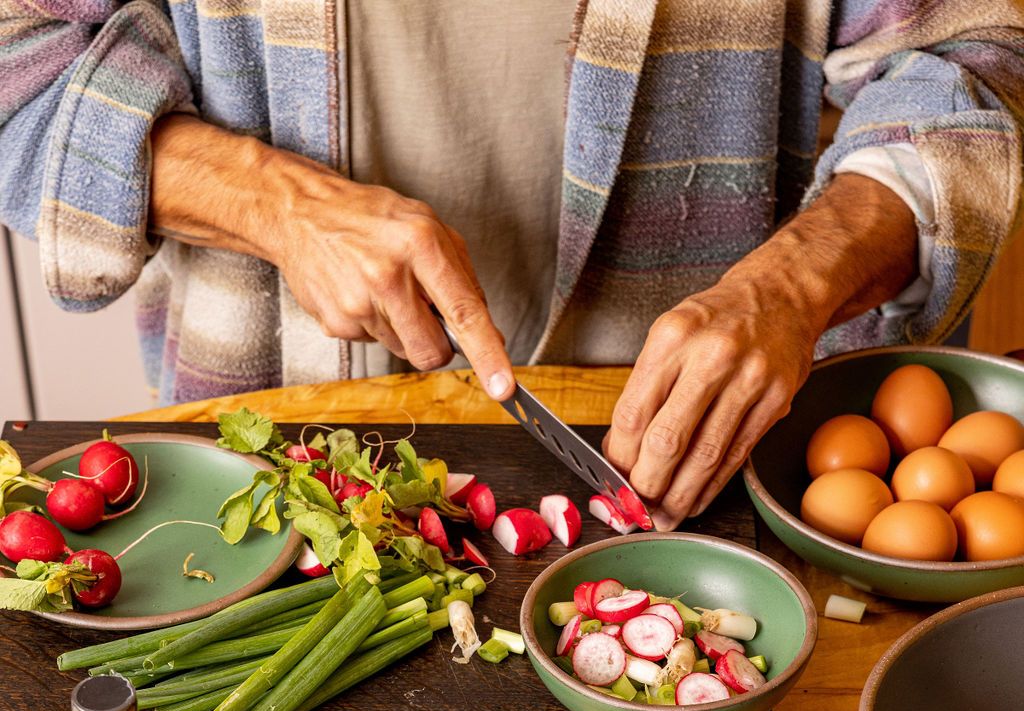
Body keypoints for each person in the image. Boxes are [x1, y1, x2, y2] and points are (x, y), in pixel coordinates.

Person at [1, 2, 1022, 525]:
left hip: (736, 463)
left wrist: (798, 277)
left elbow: (977, 57)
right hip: (275, 469)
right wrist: (270, 201)